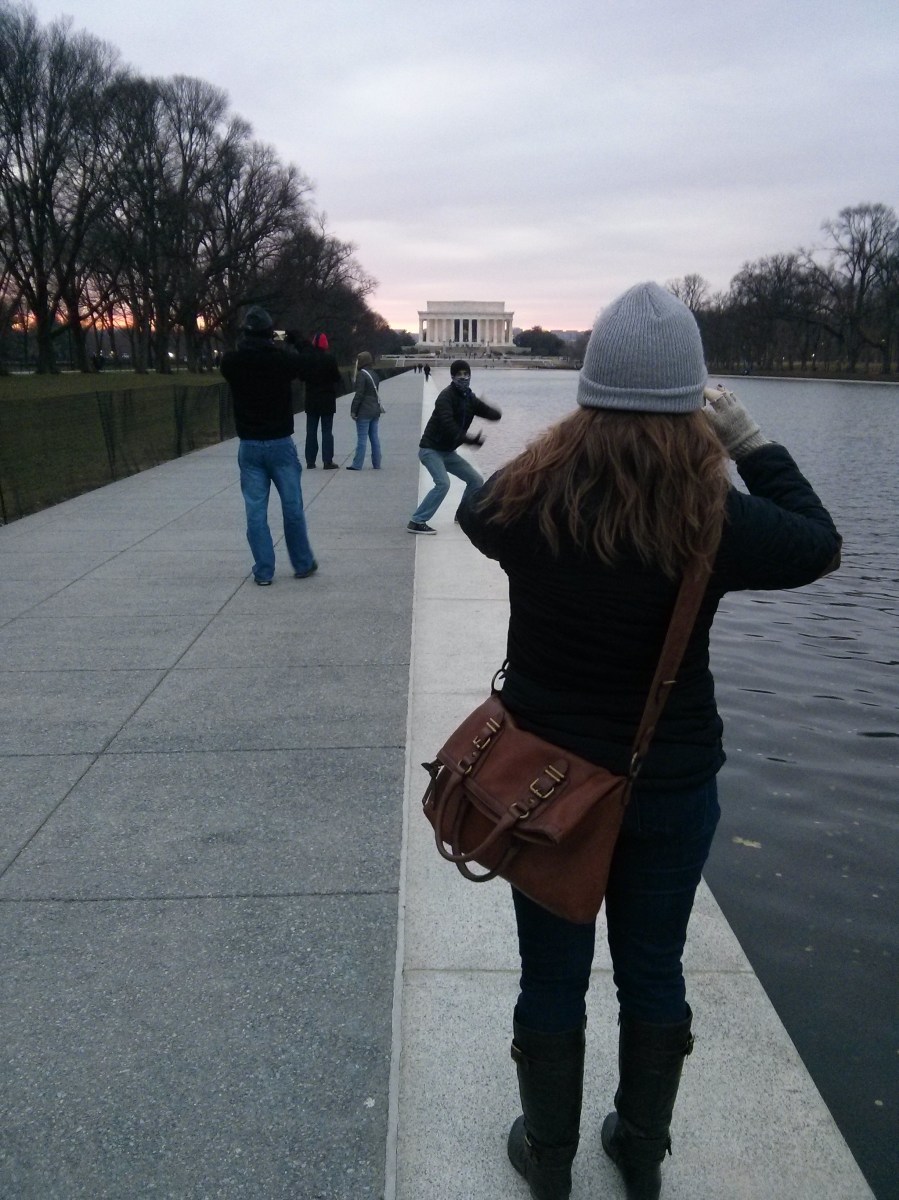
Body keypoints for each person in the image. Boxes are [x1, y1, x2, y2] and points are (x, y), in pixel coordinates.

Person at [457, 282, 841, 1200]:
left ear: (589, 393)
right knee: (654, 972)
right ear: (690, 403)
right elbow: (818, 544)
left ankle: (548, 1158)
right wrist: (748, 443)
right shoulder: (714, 516)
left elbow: (474, 511)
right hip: (667, 782)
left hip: (546, 787)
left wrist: (567, 439)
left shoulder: (529, 499)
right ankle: (638, 1152)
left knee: (550, 977)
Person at [220, 306, 318, 585]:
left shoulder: (232, 362)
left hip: (250, 445)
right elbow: (312, 364)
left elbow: (236, 358)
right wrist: (297, 341)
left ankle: (264, 570)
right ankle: (302, 563)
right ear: (269, 333)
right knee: (292, 508)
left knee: (255, 512)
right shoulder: (281, 361)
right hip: (279, 443)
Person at [407, 359, 501, 534]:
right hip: (431, 449)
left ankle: (462, 514)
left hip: (448, 452)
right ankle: (417, 520)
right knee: (443, 484)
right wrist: (469, 439)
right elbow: (448, 425)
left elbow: (492, 414)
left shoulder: (469, 398)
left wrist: (493, 411)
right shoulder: (446, 397)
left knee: (476, 480)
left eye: (466, 374)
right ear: (452, 376)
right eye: (459, 375)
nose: (463, 378)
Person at [303, 332, 343, 469]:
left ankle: (310, 461)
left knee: (311, 432)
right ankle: (327, 461)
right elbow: (337, 378)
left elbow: (302, 376)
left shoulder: (307, 359)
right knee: (326, 431)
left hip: (311, 400)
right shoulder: (330, 359)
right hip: (327, 400)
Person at [348, 351, 382, 470]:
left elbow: (359, 394)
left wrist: (353, 410)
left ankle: (357, 464)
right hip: (375, 410)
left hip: (364, 411)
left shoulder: (362, 375)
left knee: (362, 438)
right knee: (374, 437)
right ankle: (377, 463)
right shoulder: (374, 374)